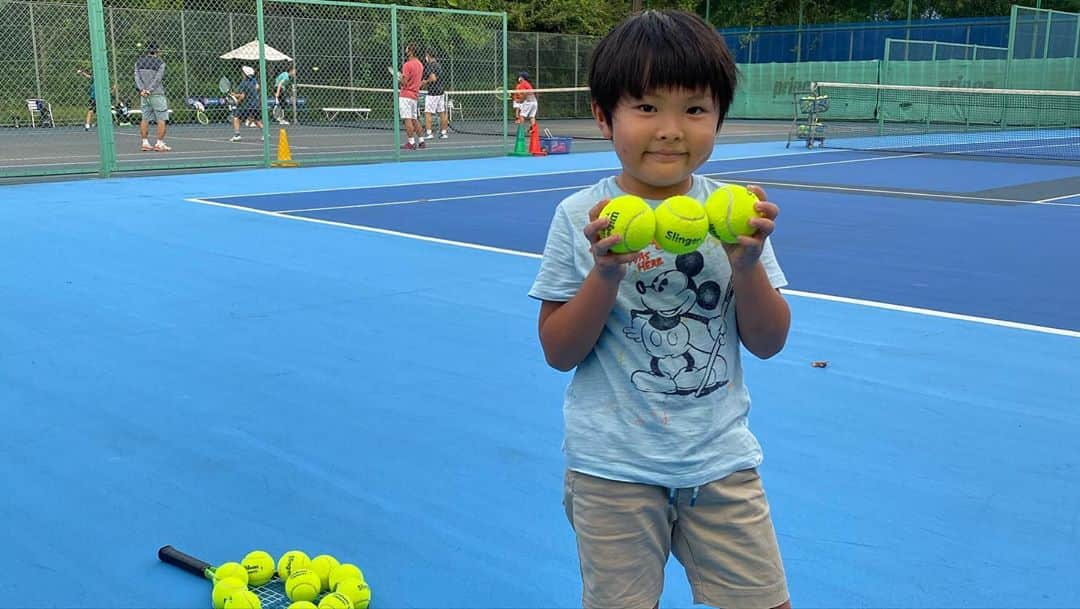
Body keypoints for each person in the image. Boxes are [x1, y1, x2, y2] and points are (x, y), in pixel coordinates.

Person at [528, 10, 791, 609]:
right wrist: (606, 273)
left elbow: (770, 341)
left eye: (694, 109)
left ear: (718, 117)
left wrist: (747, 264)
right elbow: (557, 350)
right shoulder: (580, 217)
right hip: (612, 469)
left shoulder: (735, 211)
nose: (671, 129)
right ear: (604, 116)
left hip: (720, 462)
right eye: (647, 107)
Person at [134, 42, 170, 151]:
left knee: (145, 118)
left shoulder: (138, 62)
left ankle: (145, 143)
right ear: (158, 51)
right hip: (157, 93)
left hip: (144, 95)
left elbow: (136, 77)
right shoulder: (160, 63)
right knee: (161, 118)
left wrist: (142, 90)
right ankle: (159, 143)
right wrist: (149, 90)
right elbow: (158, 79)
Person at [397, 43, 425, 150]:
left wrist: (399, 78)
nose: (406, 49)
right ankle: (421, 141)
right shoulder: (420, 65)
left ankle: (411, 142)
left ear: (411, 51)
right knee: (414, 118)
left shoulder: (407, 65)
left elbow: (404, 82)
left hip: (406, 95)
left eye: (407, 48)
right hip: (414, 95)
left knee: (407, 119)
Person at [230, 65, 262, 141]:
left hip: (246, 106)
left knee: (236, 118)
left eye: (243, 72)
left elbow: (242, 96)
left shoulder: (244, 83)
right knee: (256, 120)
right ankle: (266, 134)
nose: (242, 74)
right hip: (255, 105)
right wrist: (235, 95)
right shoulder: (254, 81)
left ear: (245, 74)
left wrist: (236, 100)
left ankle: (237, 135)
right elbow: (257, 87)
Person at [421, 49, 448, 140]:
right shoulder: (438, 65)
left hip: (433, 93)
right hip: (440, 92)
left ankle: (429, 133)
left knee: (428, 113)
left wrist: (425, 82)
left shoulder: (430, 66)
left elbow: (433, 78)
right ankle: (444, 133)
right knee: (441, 112)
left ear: (428, 55)